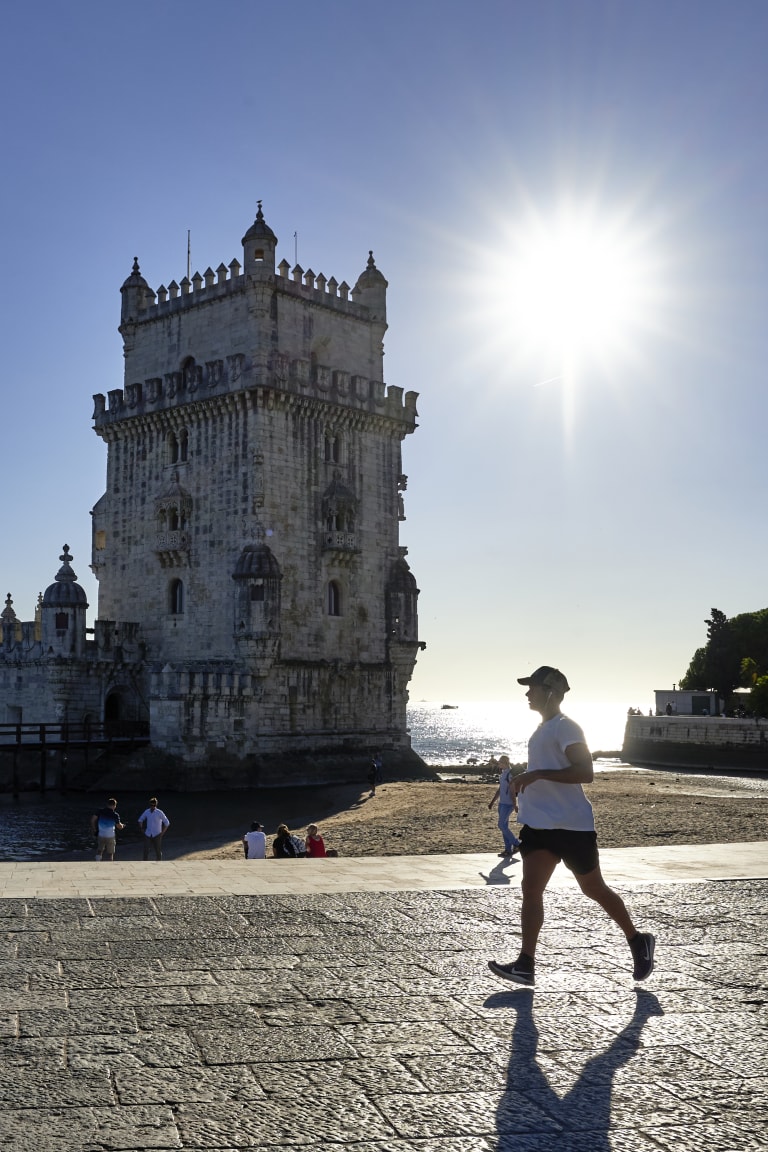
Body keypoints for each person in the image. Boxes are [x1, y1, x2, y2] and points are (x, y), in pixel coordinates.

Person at [488, 666, 656, 988]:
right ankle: (525, 964)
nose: (527, 693)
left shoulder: (567, 727)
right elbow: (548, 770)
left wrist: (535, 775)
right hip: (539, 825)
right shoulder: (542, 729)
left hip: (572, 826)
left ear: (550, 692)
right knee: (530, 889)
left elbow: (585, 772)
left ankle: (638, 940)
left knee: (593, 889)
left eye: (533, 687)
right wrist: (525, 781)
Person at [487, 753, 521, 857]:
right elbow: (500, 790)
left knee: (501, 825)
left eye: (500, 762)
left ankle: (517, 844)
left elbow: (512, 791)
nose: (499, 764)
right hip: (502, 803)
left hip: (508, 804)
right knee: (504, 827)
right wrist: (492, 802)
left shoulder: (509, 775)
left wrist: (515, 805)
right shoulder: (502, 774)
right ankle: (508, 850)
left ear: (505, 763)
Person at [90, 797, 124, 862]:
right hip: (110, 835)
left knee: (100, 850)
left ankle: (97, 862)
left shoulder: (100, 811)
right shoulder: (115, 815)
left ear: (107, 804)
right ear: (114, 806)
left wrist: (94, 829)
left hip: (101, 834)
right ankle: (109, 864)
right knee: (110, 853)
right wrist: (122, 826)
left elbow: (92, 820)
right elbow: (119, 826)